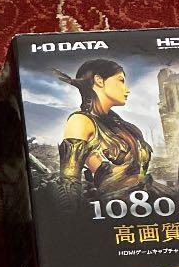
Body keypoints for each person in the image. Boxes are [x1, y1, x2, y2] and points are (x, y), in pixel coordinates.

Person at [54, 59, 159, 209]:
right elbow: (68, 186)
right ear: (99, 80)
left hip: (149, 201)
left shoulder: (124, 126)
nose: (127, 89)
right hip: (117, 208)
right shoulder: (81, 121)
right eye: (121, 80)